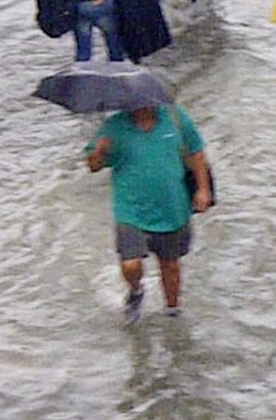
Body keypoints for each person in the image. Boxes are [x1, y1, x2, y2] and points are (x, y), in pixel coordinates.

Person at [86, 104, 212, 323]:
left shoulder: (176, 118)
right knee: (130, 264)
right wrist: (99, 152)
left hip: (172, 206)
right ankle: (136, 291)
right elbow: (93, 165)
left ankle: (172, 311)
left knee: (170, 265)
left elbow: (196, 154)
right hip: (130, 209)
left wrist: (203, 189)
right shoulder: (113, 127)